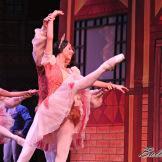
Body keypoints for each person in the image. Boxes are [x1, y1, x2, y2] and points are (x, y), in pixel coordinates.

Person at [17, 10, 128, 162]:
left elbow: (87, 82)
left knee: (60, 157)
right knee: (28, 151)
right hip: (48, 111)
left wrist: (111, 85)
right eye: (69, 48)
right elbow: (49, 38)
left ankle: (105, 67)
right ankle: (105, 66)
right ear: (60, 49)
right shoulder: (49, 62)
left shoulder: (71, 72)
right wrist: (50, 20)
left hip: (67, 113)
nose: (72, 51)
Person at [3, 95, 33, 162]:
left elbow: (28, 119)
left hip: (16, 134)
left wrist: (22, 132)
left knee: (16, 157)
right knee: (6, 158)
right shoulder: (7, 109)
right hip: (8, 135)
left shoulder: (21, 108)